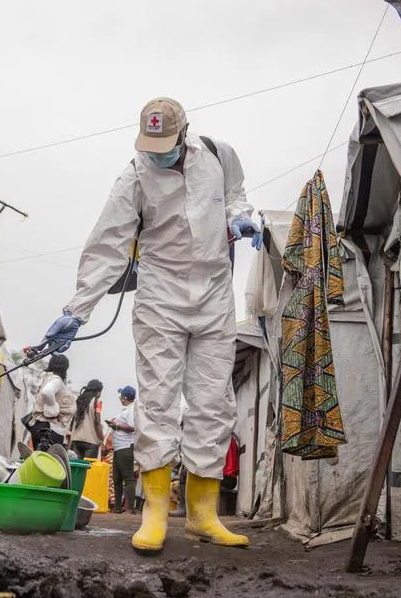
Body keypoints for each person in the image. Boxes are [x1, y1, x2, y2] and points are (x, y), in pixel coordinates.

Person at [41, 97, 259, 552]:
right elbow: (108, 244)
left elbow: (237, 192)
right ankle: (155, 511)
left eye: (165, 144)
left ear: (184, 132)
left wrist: (240, 217)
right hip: (161, 294)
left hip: (215, 293)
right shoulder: (134, 175)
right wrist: (77, 309)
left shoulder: (219, 154)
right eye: (150, 145)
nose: (156, 153)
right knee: (157, 398)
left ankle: (202, 513)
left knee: (212, 401)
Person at [29, 354, 76, 451]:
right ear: (65, 368)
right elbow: (47, 391)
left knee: (40, 460)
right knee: (50, 462)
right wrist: (52, 406)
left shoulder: (46, 378)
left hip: (39, 426)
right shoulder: (56, 380)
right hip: (50, 429)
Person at [108, 385, 137, 513]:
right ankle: (118, 507)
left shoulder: (131, 410)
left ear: (125, 398)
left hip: (125, 447)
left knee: (127, 477)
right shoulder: (126, 410)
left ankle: (130, 508)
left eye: (121, 396)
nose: (120, 398)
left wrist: (117, 426)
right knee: (117, 478)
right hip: (119, 447)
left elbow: (132, 427)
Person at [70, 379, 104, 460]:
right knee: (88, 470)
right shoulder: (97, 402)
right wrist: (102, 438)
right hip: (91, 441)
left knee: (77, 468)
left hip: (76, 439)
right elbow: (97, 422)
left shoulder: (79, 401)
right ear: (98, 391)